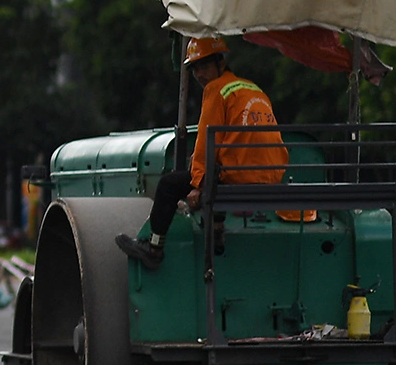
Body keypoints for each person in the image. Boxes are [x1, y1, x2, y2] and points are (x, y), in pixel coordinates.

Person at [117, 37, 289, 266]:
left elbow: (207, 140)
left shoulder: (216, 89)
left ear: (220, 62)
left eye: (204, 65)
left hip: (240, 177)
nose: (199, 74)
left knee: (170, 185)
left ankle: (154, 248)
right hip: (271, 176)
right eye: (195, 68)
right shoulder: (253, 89)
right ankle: (216, 231)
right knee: (215, 170)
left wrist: (197, 184)